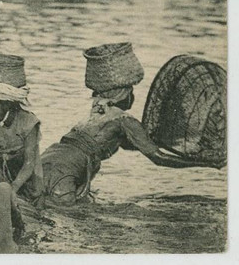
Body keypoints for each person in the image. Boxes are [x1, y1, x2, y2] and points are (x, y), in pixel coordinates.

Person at [41, 43, 214, 204]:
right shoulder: (124, 120)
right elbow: (158, 158)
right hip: (68, 168)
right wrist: (203, 163)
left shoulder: (97, 110)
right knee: (71, 213)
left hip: (47, 158)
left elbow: (131, 144)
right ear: (124, 93)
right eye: (131, 91)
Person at [0, 54, 42, 204]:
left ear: (7, 105)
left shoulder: (29, 123)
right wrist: (3, 185)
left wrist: (14, 188)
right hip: (1, 177)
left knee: (35, 199)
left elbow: (29, 163)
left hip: (28, 178)